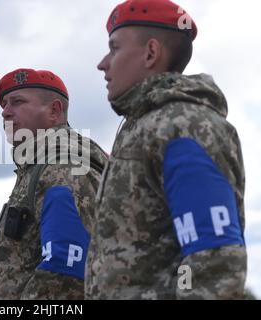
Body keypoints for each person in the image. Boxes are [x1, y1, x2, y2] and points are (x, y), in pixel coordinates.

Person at [86, 0, 247, 300]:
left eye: (114, 48)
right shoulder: (143, 126)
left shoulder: (181, 126)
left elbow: (213, 262)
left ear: (150, 53)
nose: (103, 63)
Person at [0, 68, 108, 299]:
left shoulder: (61, 167)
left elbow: (66, 268)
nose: (5, 113)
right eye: (4, 105)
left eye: (17, 102)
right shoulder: (40, 165)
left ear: (54, 111)